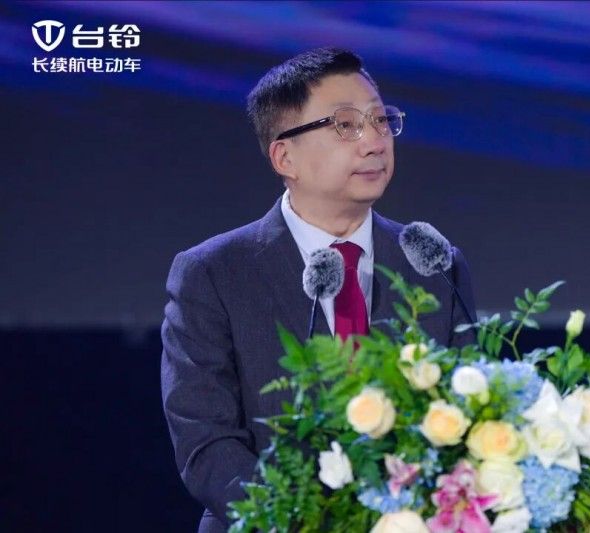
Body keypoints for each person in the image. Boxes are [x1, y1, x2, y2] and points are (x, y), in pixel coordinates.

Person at [160, 47, 477, 533]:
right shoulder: (213, 274)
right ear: (284, 156)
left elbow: (469, 411)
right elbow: (206, 444)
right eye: (345, 125)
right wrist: (306, 520)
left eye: (381, 120)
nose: (374, 142)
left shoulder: (434, 263)